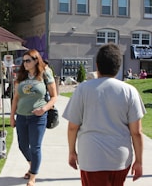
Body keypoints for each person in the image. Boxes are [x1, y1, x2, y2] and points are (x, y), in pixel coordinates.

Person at [62, 43, 146, 186]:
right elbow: (136, 132)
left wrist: (72, 151)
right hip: (119, 158)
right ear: (118, 66)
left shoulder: (82, 90)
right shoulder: (129, 91)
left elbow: (72, 127)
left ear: (97, 65)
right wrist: (139, 161)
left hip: (91, 157)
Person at [10, 49, 57, 186]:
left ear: (36, 60)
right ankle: (32, 166)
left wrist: (44, 109)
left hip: (38, 118)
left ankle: (33, 176)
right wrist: (12, 116)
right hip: (21, 116)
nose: (24, 63)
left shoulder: (45, 74)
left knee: (35, 147)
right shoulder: (21, 76)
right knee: (23, 146)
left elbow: (54, 97)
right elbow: (16, 98)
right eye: (23, 61)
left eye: (27, 61)